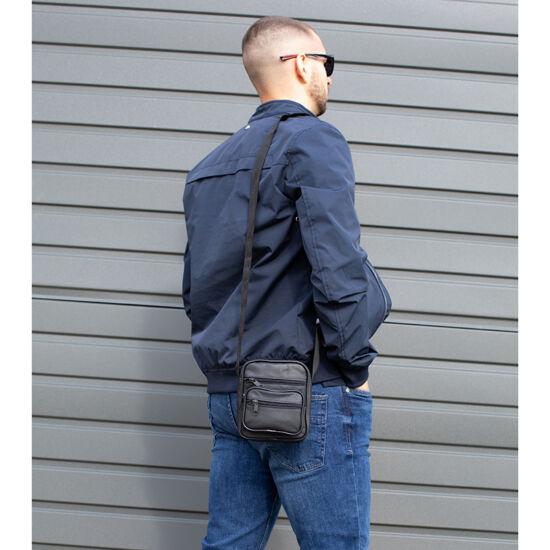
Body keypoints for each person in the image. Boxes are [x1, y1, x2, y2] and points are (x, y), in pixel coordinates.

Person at [182, 15, 391, 550]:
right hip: (307, 389)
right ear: (300, 64)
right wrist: (354, 367)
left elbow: (196, 290)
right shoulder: (313, 142)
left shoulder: (208, 167)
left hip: (231, 394)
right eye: (326, 62)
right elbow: (337, 264)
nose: (330, 76)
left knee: (228, 544)